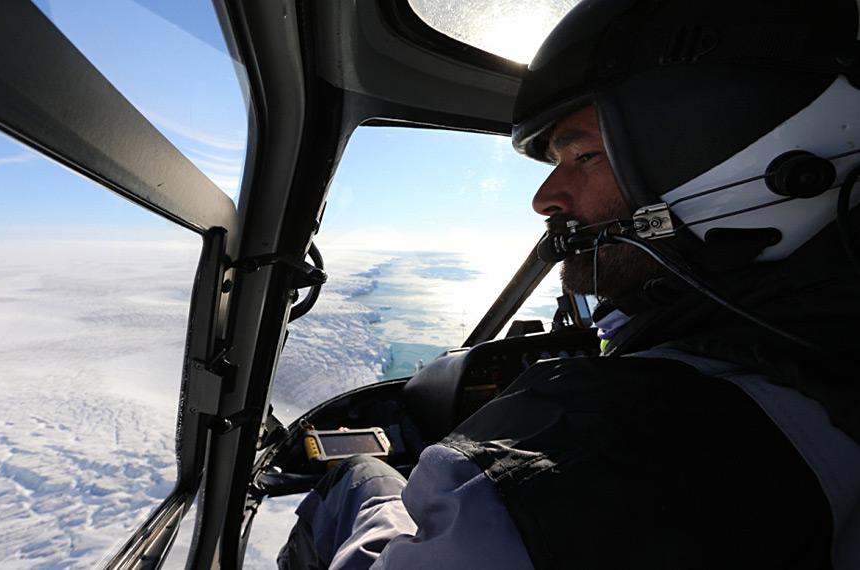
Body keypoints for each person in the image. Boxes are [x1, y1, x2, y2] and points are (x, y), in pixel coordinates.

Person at [279, 0, 860, 568]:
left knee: (358, 477)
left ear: (728, 149)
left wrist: (367, 485)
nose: (544, 199)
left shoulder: (595, 458)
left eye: (582, 154)